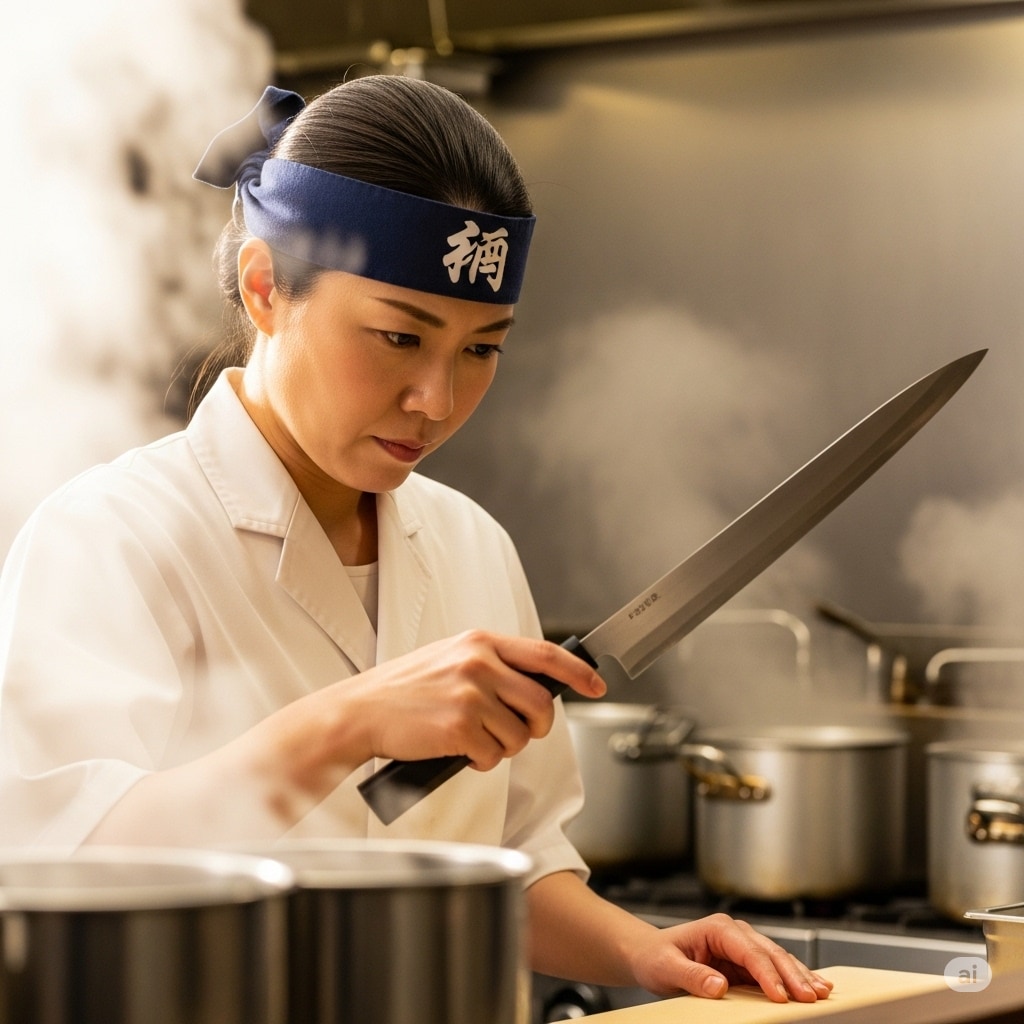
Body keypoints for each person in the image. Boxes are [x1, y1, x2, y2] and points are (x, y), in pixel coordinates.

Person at [0, 75, 832, 1004]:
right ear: (266, 286)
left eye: (482, 349)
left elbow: (512, 859)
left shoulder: (471, 543)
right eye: (400, 337)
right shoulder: (110, 538)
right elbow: (62, 874)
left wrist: (641, 953)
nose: (436, 402)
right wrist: (347, 723)